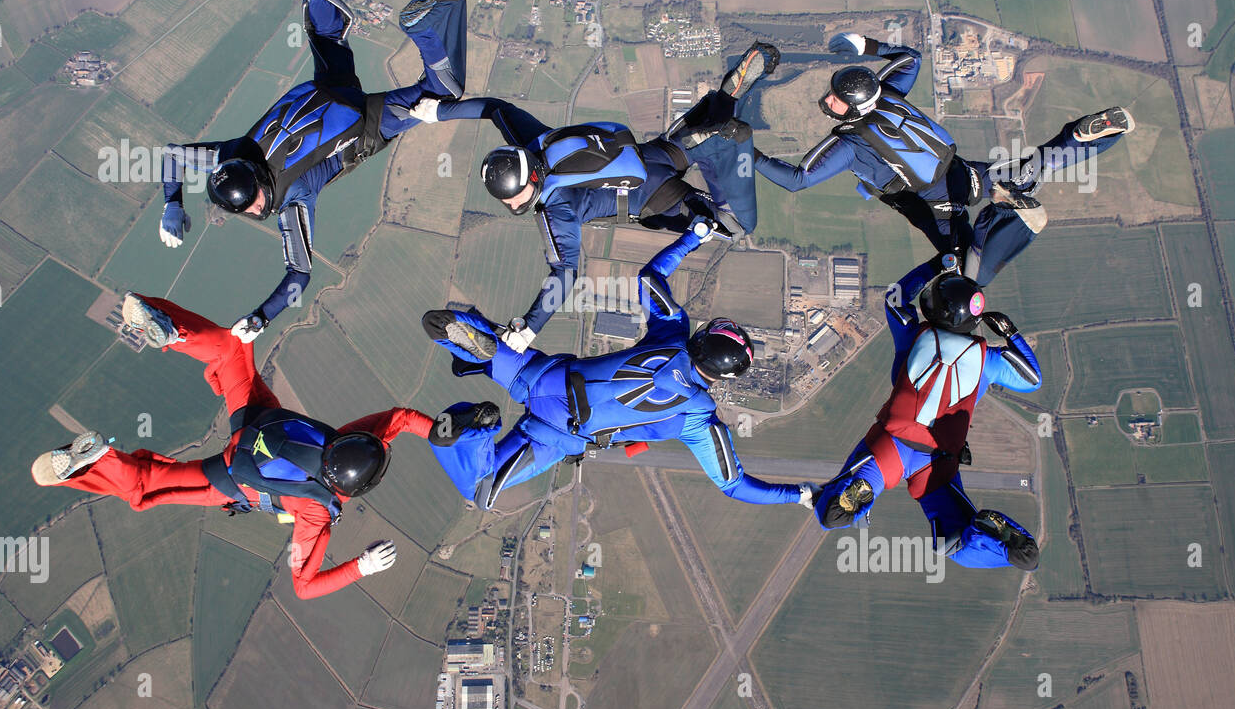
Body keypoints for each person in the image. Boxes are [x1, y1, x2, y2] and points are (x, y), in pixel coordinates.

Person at [29, 293, 481, 599]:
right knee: (148, 489)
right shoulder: (318, 512)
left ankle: (173, 332)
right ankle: (95, 463)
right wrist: (360, 567)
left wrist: (442, 432)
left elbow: (400, 419)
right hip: (234, 477)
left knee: (230, 351)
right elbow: (305, 587)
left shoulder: (347, 440)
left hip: (258, 421)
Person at [156, 0, 468, 342]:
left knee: (444, 92)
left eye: (252, 205)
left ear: (259, 189)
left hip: (364, 123)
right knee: (324, 32)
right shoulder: (232, 153)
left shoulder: (293, 197)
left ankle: (425, 30)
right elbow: (173, 156)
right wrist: (171, 204)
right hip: (326, 89)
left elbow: (299, 275)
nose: (254, 212)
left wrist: (261, 318)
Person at [420, 221, 815, 511]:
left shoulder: (673, 333)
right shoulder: (699, 419)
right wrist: (798, 495)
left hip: (543, 376)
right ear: (726, 376)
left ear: (703, 336)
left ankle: (481, 352)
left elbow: (649, 277)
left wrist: (693, 236)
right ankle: (475, 426)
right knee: (481, 491)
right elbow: (734, 485)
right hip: (558, 433)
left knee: (442, 324)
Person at [408, 42, 781, 350]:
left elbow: (566, 274)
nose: (511, 204)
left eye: (513, 197)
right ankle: (722, 102)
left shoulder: (555, 208)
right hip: (651, 155)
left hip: (656, 198)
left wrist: (528, 330)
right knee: (684, 144)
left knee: (736, 225)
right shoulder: (534, 144)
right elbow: (496, 110)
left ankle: (733, 139)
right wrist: (439, 111)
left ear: (529, 185)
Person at [754, 31, 1135, 286]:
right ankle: (1083, 136)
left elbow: (798, 180)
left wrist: (746, 154)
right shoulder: (887, 94)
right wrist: (864, 44)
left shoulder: (851, 143)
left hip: (936, 203)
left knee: (970, 272)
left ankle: (1012, 220)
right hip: (962, 172)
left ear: (853, 109)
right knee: (1038, 163)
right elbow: (911, 57)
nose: (829, 99)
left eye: (836, 98)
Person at [813, 255, 1043, 569]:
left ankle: (849, 496)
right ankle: (1000, 547)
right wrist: (1010, 332)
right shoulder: (987, 360)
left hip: (890, 444)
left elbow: (895, 297)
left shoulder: (915, 336)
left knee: (829, 514)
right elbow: (1032, 377)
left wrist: (939, 264)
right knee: (953, 543)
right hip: (935, 462)